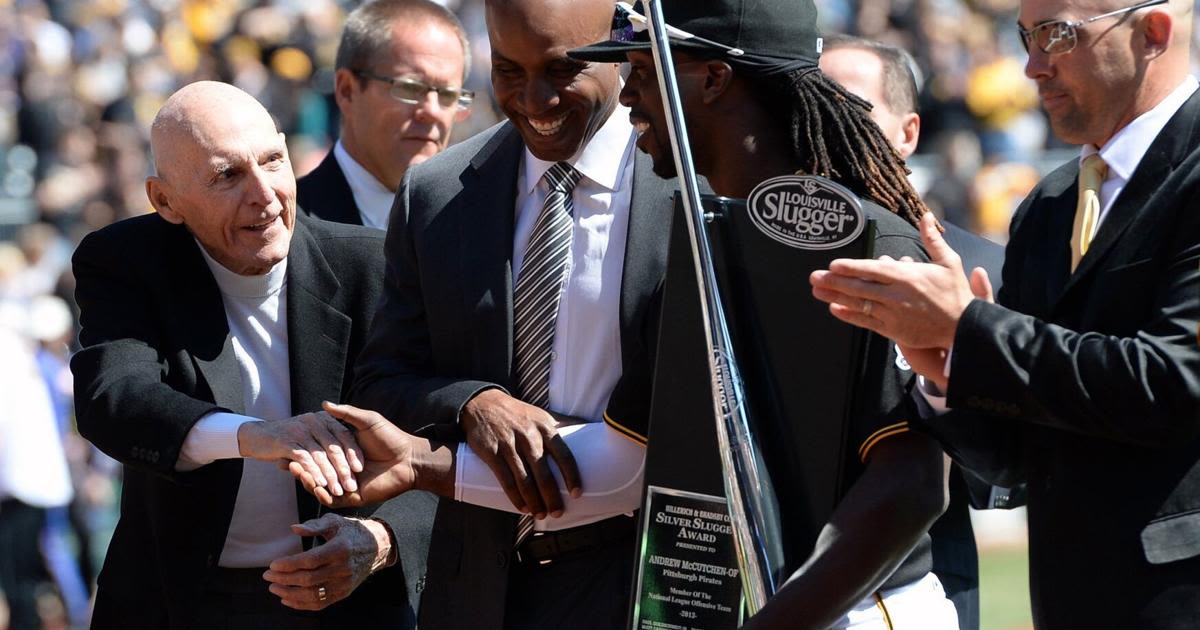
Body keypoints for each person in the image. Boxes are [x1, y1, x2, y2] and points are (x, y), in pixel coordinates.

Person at [809, 0, 1200, 626]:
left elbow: (1177, 381)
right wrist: (946, 372)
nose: (1031, 66)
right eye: (1025, 36)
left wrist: (971, 330)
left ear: (1153, 32)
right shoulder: (1049, 205)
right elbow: (1013, 464)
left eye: (1056, 35)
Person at [570, 1, 958, 627]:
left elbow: (912, 486)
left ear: (715, 78)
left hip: (861, 610)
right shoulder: (701, 244)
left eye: (644, 68)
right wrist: (430, 467)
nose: (628, 97)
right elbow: (623, 455)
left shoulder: (874, 247)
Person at [334, 0, 682, 627]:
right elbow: (385, 380)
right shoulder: (436, 195)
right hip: (479, 594)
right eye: (507, 71)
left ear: (621, 50)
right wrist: (472, 403)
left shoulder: (685, 189)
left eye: (561, 69)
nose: (534, 99)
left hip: (642, 580)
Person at [70, 81, 427, 629]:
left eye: (272, 161)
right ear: (164, 200)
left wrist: (379, 538)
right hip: (180, 601)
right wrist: (253, 435)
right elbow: (114, 398)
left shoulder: (371, 266)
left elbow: (437, 442)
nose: (263, 194)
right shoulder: (124, 261)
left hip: (350, 600)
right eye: (226, 175)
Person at [820, 34, 1007, 630]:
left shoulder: (986, 265)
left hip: (925, 588)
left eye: (849, 109)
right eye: (807, 106)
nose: (823, 127)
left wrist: (965, 363)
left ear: (909, 133)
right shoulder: (753, 252)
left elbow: (1007, 478)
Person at [297, 0, 472, 227]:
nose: (432, 111)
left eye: (448, 95)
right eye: (410, 88)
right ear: (347, 90)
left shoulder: (474, 225)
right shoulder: (285, 230)